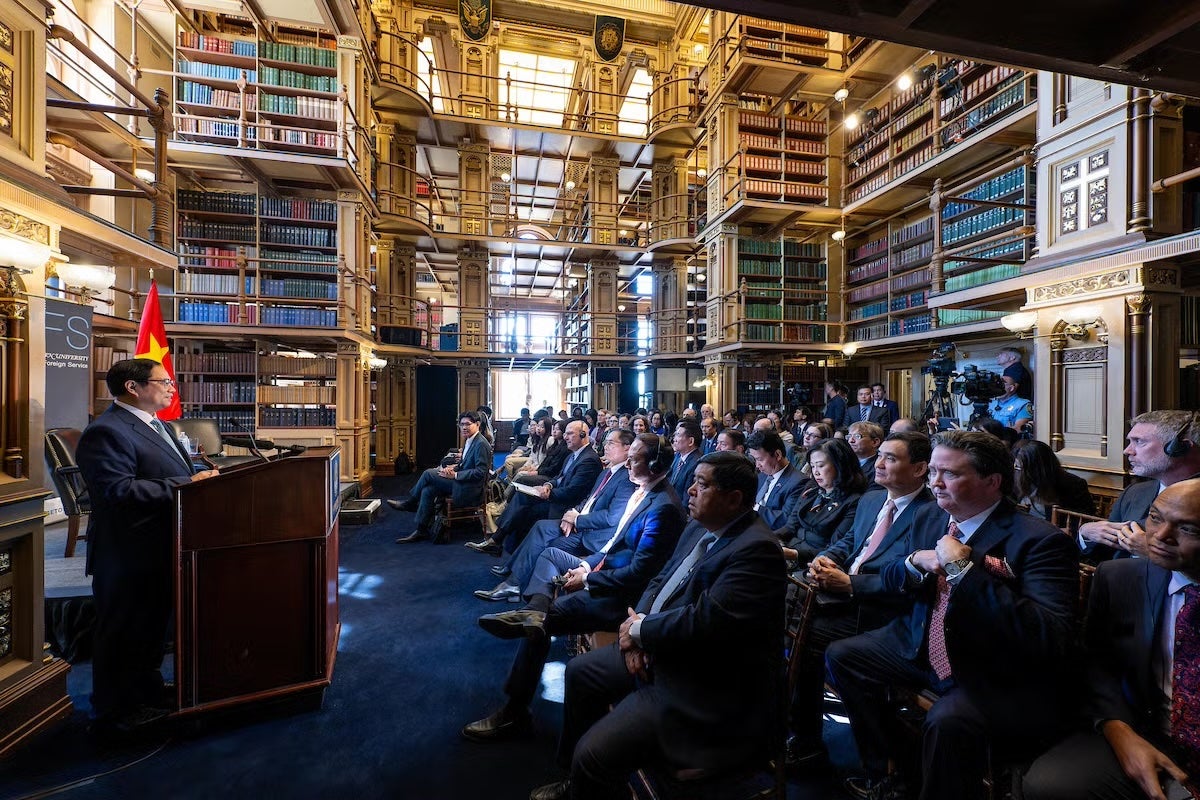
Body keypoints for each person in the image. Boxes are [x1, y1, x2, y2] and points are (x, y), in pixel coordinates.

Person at [827, 430, 1080, 800]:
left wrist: (964, 570)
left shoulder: (1039, 540)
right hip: (922, 639)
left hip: (989, 664)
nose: (935, 483)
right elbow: (893, 576)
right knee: (842, 656)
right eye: (933, 472)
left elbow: (1048, 633)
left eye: (950, 474)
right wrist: (915, 561)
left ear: (992, 481)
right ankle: (893, 770)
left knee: (947, 722)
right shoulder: (930, 515)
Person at [525, 452, 787, 800]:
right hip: (666, 646)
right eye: (693, 481)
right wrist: (638, 629)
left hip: (705, 681)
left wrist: (641, 633)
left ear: (734, 499)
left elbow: (705, 623)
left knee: (593, 755)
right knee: (580, 671)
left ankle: (587, 776)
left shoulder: (757, 550)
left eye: (702, 484)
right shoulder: (699, 526)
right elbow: (659, 580)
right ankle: (575, 778)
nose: (690, 490)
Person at [463, 435, 686, 749]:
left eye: (634, 458)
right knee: (547, 580)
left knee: (542, 625)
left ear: (654, 464)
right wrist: (585, 566)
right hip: (603, 571)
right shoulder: (644, 491)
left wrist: (589, 579)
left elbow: (639, 574)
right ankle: (534, 611)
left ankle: (515, 709)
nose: (627, 463)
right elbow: (612, 547)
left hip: (622, 599)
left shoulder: (664, 508)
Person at [1022, 478, 1200, 800]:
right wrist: (1119, 731)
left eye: (1188, 529)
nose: (1160, 536)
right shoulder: (1119, 579)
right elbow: (1098, 666)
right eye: (1155, 517)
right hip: (1153, 730)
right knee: (1048, 782)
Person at [76, 358, 220, 735]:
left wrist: (200, 477)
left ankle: (147, 691)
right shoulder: (106, 431)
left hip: (160, 544)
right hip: (127, 550)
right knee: (123, 631)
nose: (172, 387)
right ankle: (114, 712)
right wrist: (187, 485)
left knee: (151, 628)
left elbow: (171, 471)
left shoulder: (158, 424)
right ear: (133, 387)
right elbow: (118, 491)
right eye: (164, 381)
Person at [786, 431, 936, 767]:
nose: (878, 464)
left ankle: (809, 738)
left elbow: (911, 578)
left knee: (801, 635)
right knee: (782, 613)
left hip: (883, 611)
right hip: (842, 597)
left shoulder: (930, 513)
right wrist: (825, 558)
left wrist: (851, 584)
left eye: (890, 459)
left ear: (919, 468)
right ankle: (793, 729)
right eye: (879, 456)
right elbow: (851, 542)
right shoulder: (872, 499)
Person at [476, 429, 637, 601]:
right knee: (540, 526)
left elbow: (611, 517)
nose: (605, 446)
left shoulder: (626, 478)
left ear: (627, 448)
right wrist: (571, 513)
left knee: (544, 537)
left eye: (611, 443)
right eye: (606, 442)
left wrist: (577, 519)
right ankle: (514, 578)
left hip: (594, 534)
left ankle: (516, 584)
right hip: (579, 521)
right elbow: (589, 499)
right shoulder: (607, 472)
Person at [467, 420, 601, 556]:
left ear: (583, 434)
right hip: (558, 498)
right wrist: (548, 485)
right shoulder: (574, 455)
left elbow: (573, 492)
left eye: (570, 434)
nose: (565, 437)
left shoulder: (588, 460)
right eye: (565, 433)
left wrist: (549, 493)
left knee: (524, 510)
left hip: (566, 506)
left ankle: (500, 543)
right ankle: (501, 544)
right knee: (522, 499)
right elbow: (559, 477)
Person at [1078, 410, 1200, 560]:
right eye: (1130, 441)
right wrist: (1086, 533)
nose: (1127, 451)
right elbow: (1105, 554)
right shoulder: (1134, 492)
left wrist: (1154, 553)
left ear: (1180, 447)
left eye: (1139, 441)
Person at [391, 410, 493, 544]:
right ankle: (421, 530)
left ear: (477, 424)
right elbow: (465, 465)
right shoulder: (470, 440)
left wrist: (455, 475)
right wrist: (452, 469)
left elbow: (480, 472)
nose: (464, 427)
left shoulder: (481, 444)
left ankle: (410, 503)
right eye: (461, 424)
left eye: (468, 424)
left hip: (470, 489)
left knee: (428, 473)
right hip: (462, 482)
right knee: (428, 490)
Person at [780, 438, 866, 565]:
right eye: (812, 466)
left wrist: (794, 554)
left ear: (840, 465)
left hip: (813, 561)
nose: (815, 472)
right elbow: (790, 526)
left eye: (820, 466)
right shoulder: (811, 488)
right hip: (788, 550)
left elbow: (834, 548)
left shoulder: (854, 501)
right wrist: (770, 538)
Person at [1012, 439, 1095, 521]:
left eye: (1019, 467)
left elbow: (1085, 522)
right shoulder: (1014, 479)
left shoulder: (1074, 485)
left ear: (1037, 469)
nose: (1016, 471)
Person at [746, 430, 807, 538]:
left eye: (760, 459)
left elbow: (785, 520)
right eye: (755, 460)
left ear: (777, 455)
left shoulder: (799, 482)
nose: (757, 465)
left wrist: (754, 507)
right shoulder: (761, 475)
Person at [667, 419, 702, 500]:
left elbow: (687, 499)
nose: (674, 439)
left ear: (691, 441)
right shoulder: (678, 456)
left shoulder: (696, 464)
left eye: (678, 435)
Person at [847, 421, 885, 486]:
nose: (850, 441)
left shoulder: (878, 468)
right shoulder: (845, 461)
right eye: (849, 436)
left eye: (857, 436)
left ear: (875, 442)